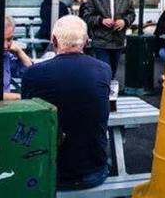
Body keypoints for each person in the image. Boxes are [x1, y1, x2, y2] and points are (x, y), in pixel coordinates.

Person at [23, 16, 112, 191]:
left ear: (53, 40)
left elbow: (28, 118)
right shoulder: (103, 69)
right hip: (94, 172)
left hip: (48, 174)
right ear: (86, 42)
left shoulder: (33, 74)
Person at [82, 0, 135, 77]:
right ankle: (103, 92)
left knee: (113, 71)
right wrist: (101, 20)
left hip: (118, 41)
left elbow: (132, 14)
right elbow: (86, 16)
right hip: (101, 41)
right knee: (104, 71)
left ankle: (110, 91)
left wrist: (124, 21)